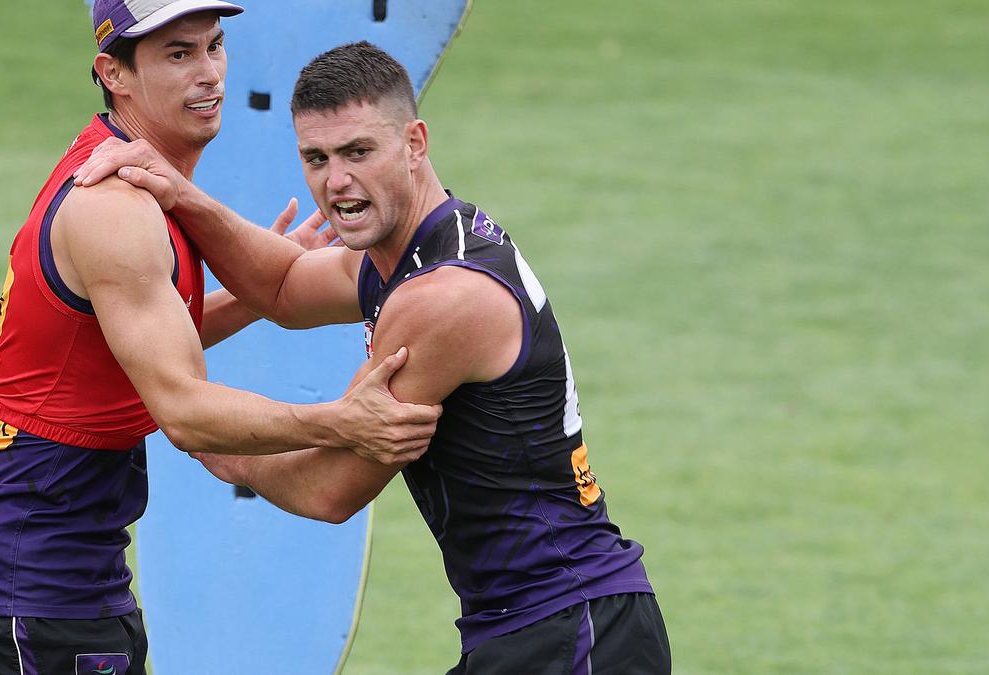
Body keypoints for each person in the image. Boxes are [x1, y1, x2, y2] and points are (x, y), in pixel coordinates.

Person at [74, 41, 671, 674]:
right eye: (316, 158)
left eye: (358, 152)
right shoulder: (412, 251)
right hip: (540, 623)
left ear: (415, 143)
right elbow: (283, 287)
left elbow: (331, 491)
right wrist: (181, 195)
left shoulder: (442, 298)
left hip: (571, 626)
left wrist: (219, 446)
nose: (336, 182)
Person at [0, 5, 441, 673]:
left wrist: (261, 291)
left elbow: (136, 341)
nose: (209, 73)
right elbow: (185, 412)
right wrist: (339, 422)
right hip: (25, 577)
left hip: (69, 570)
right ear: (114, 74)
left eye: (214, 46)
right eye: (177, 54)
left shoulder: (140, 182)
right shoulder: (115, 209)